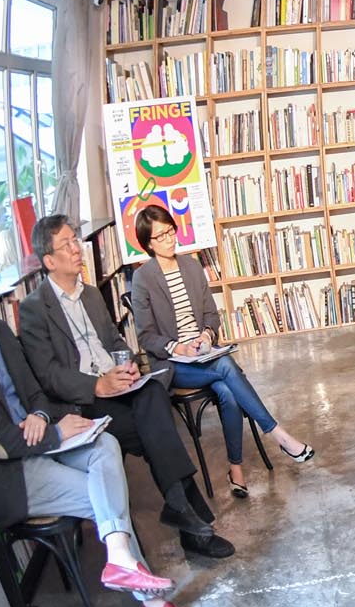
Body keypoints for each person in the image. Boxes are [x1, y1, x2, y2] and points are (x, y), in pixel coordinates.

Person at [0, 243, 201, 607]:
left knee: (106, 444)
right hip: (12, 471)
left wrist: (42, 416)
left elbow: (36, 393)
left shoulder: (1, 332)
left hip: (41, 439)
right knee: (105, 494)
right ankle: (153, 603)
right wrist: (55, 432)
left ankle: (118, 556)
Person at [15, 215, 232, 560]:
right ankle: (190, 523)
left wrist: (127, 363)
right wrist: (98, 385)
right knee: (154, 425)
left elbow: (115, 341)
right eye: (67, 244)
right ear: (49, 261)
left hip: (120, 386)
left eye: (75, 240)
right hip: (85, 403)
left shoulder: (90, 295)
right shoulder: (33, 309)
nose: (77, 248)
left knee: (153, 392)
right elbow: (49, 375)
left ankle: (183, 512)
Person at [127, 202, 313, 498]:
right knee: (226, 367)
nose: (169, 239)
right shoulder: (143, 278)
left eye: (171, 231)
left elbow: (211, 315)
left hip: (204, 353)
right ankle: (278, 434)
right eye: (160, 236)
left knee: (227, 391)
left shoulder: (191, 266)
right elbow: (146, 335)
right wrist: (179, 347)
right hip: (175, 363)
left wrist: (206, 335)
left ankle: (235, 470)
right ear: (148, 243)